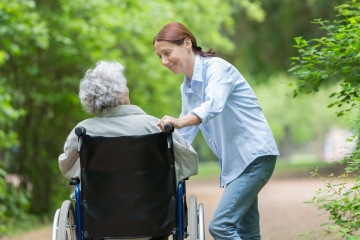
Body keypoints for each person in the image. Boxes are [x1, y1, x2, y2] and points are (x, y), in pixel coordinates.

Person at [153, 22, 280, 240]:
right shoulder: (188, 86)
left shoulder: (217, 69)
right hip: (238, 163)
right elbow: (185, 134)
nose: (164, 61)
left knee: (221, 226)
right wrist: (156, 154)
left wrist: (179, 121)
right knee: (246, 232)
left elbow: (213, 105)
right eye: (159, 57)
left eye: (167, 53)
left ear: (186, 43)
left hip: (255, 157)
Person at [58, 61, 198, 240]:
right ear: (123, 94)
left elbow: (66, 169)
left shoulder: (83, 132)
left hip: (101, 227)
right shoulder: (158, 126)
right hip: (156, 225)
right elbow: (190, 165)